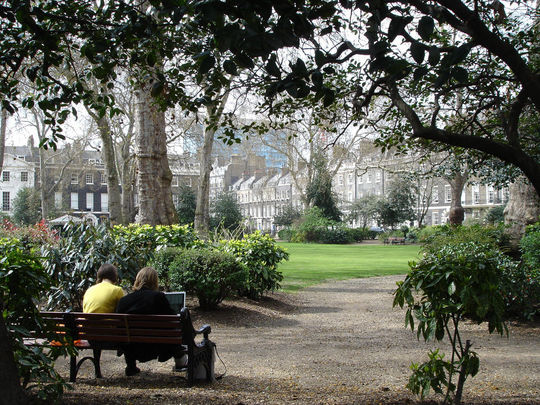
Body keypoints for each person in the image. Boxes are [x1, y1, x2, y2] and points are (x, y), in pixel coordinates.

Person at [116, 267, 186, 376]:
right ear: (155, 281)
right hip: (156, 346)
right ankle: (181, 363)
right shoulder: (158, 297)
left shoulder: (124, 301)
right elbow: (173, 320)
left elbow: (119, 328)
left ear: (137, 280)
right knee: (174, 331)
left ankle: (131, 366)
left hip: (131, 347)